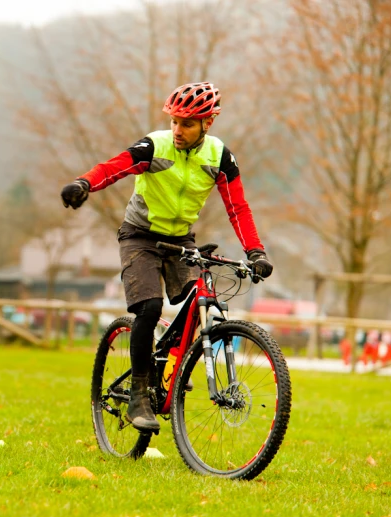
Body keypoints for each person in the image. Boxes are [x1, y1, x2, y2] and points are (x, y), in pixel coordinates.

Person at [60, 82, 273, 432]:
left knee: (199, 301)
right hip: (139, 237)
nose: (177, 130)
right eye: (174, 121)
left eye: (187, 124)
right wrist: (84, 184)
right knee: (150, 307)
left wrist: (255, 251)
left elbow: (238, 207)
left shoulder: (219, 157)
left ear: (208, 123)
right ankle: (140, 395)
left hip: (180, 240)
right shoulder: (154, 146)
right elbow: (113, 167)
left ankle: (173, 368)